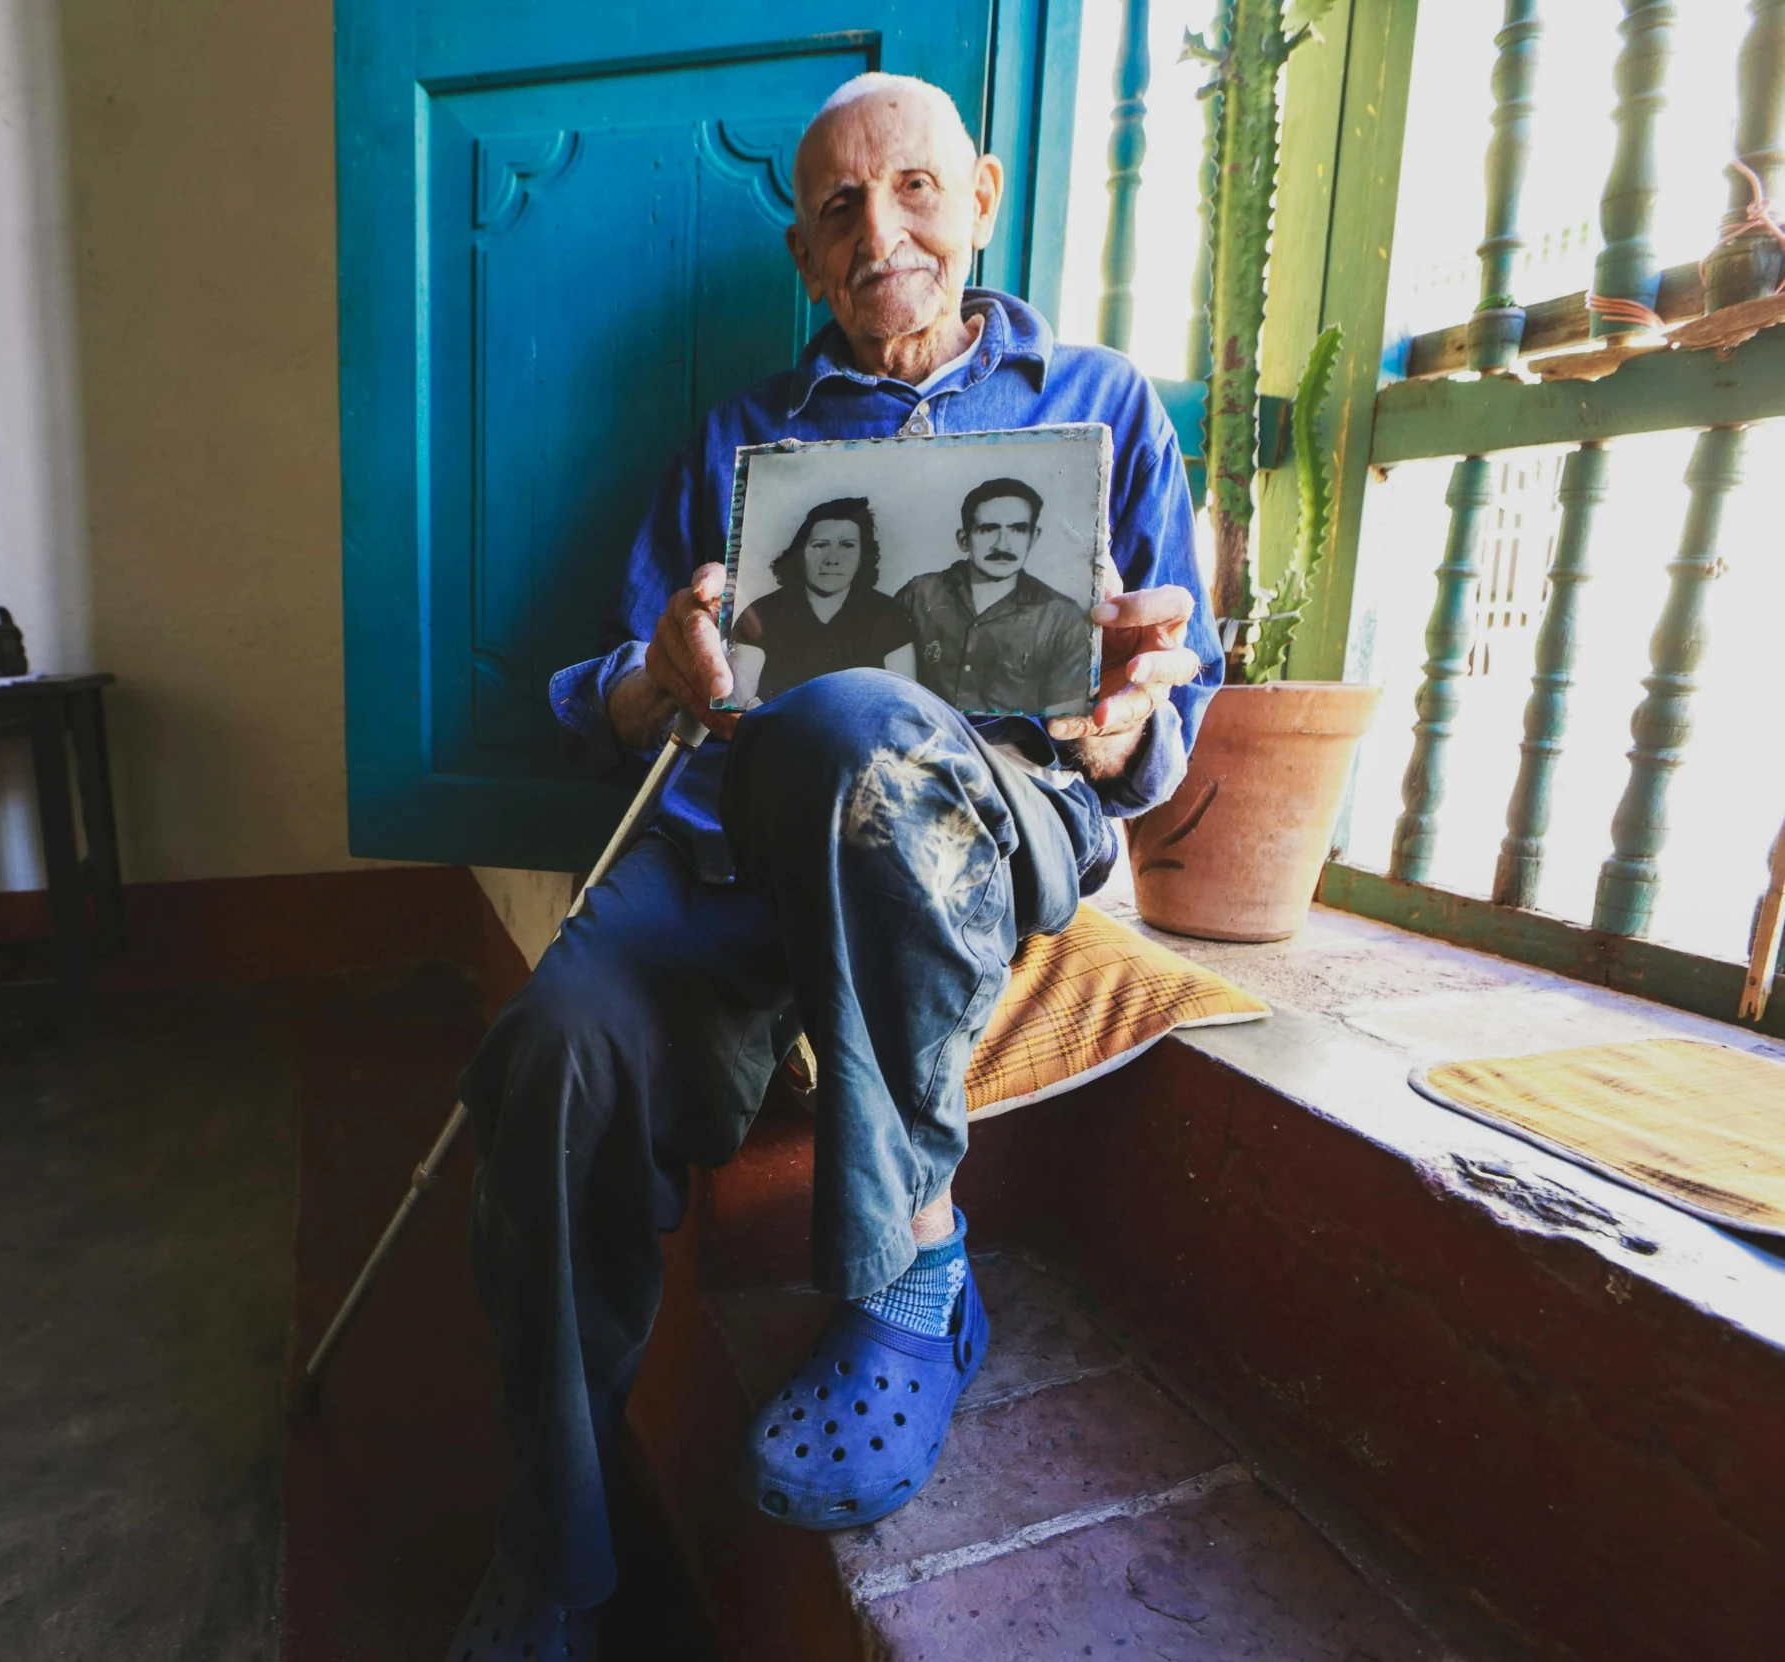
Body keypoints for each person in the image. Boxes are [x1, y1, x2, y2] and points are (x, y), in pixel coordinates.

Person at [447, 70, 1220, 1659]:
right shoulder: (745, 436)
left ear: (982, 198)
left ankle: (906, 1265)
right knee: (553, 1051)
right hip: (735, 839)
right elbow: (607, 695)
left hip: (973, 816)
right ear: (802, 254)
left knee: (857, 721)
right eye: (840, 211)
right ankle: (556, 1550)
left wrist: (1125, 719)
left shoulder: (1100, 404)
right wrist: (661, 672)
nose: (884, 234)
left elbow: (1171, 713)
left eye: (916, 189)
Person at [897, 476, 1095, 714]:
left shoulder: (1061, 617)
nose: (1003, 544)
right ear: (963, 539)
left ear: (1033, 538)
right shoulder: (919, 594)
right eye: (988, 529)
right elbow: (883, 689)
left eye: (1018, 530)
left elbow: (1064, 723)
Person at [726, 495, 915, 704]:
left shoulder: (890, 616)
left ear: (863, 555)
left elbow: (904, 707)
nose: (832, 559)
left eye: (847, 545)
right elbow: (739, 707)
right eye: (820, 545)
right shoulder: (760, 614)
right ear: (799, 553)